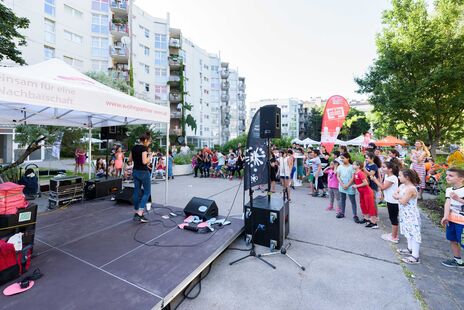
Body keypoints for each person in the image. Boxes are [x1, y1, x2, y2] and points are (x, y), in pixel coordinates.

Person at [393, 169, 422, 264]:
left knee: (414, 234)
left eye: (400, 176)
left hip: (411, 215)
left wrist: (399, 197)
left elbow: (403, 201)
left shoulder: (411, 189)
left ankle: (415, 256)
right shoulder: (402, 186)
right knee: (407, 231)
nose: (398, 177)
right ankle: (410, 249)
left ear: (407, 177)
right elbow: (395, 194)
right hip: (404, 213)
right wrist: (400, 197)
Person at [441, 168, 464, 268]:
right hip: (452, 220)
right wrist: (446, 216)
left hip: (462, 222)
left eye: (451, 175)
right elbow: (447, 203)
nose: (447, 177)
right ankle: (458, 260)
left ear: (461, 178)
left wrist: (458, 199)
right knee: (452, 240)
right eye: (447, 175)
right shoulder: (449, 190)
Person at [372, 161, 400, 243]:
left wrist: (374, 180)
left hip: (393, 201)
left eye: (384, 167)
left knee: (393, 218)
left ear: (390, 169)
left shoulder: (392, 178)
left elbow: (383, 187)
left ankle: (394, 237)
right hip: (390, 200)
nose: (382, 168)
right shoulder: (388, 176)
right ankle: (393, 234)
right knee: (392, 217)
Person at [128, 132, 153, 223]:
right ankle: (140, 213)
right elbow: (144, 161)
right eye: (149, 141)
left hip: (135, 171)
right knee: (147, 192)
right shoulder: (144, 149)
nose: (149, 143)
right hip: (143, 172)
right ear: (145, 140)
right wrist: (150, 156)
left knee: (136, 191)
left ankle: (136, 212)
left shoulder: (134, 148)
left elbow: (130, 160)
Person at [352, 161, 377, 228]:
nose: (352, 165)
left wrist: (356, 186)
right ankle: (366, 219)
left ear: (358, 166)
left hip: (367, 192)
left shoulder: (360, 173)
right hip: (362, 192)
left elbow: (366, 183)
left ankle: (374, 222)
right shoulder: (355, 173)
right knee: (363, 205)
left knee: (370, 206)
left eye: (354, 164)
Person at [336, 152, 359, 222]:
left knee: (353, 201)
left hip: (350, 186)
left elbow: (353, 178)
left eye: (343, 158)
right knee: (342, 199)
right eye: (341, 158)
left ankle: (355, 215)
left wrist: (348, 185)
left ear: (348, 158)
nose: (342, 159)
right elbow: (338, 176)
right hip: (342, 186)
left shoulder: (352, 167)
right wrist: (342, 184)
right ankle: (342, 213)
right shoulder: (339, 166)